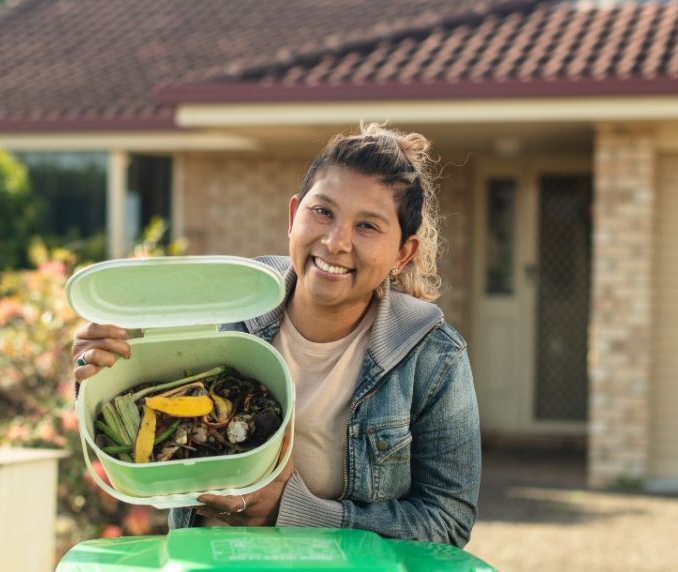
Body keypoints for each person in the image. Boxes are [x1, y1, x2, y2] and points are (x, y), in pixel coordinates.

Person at [72, 124, 481, 547]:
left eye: (368, 227)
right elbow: (143, 434)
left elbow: (446, 522)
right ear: (293, 217)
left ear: (403, 253)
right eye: (322, 212)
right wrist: (101, 372)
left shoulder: (432, 357)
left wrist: (296, 514)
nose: (335, 241)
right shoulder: (228, 308)